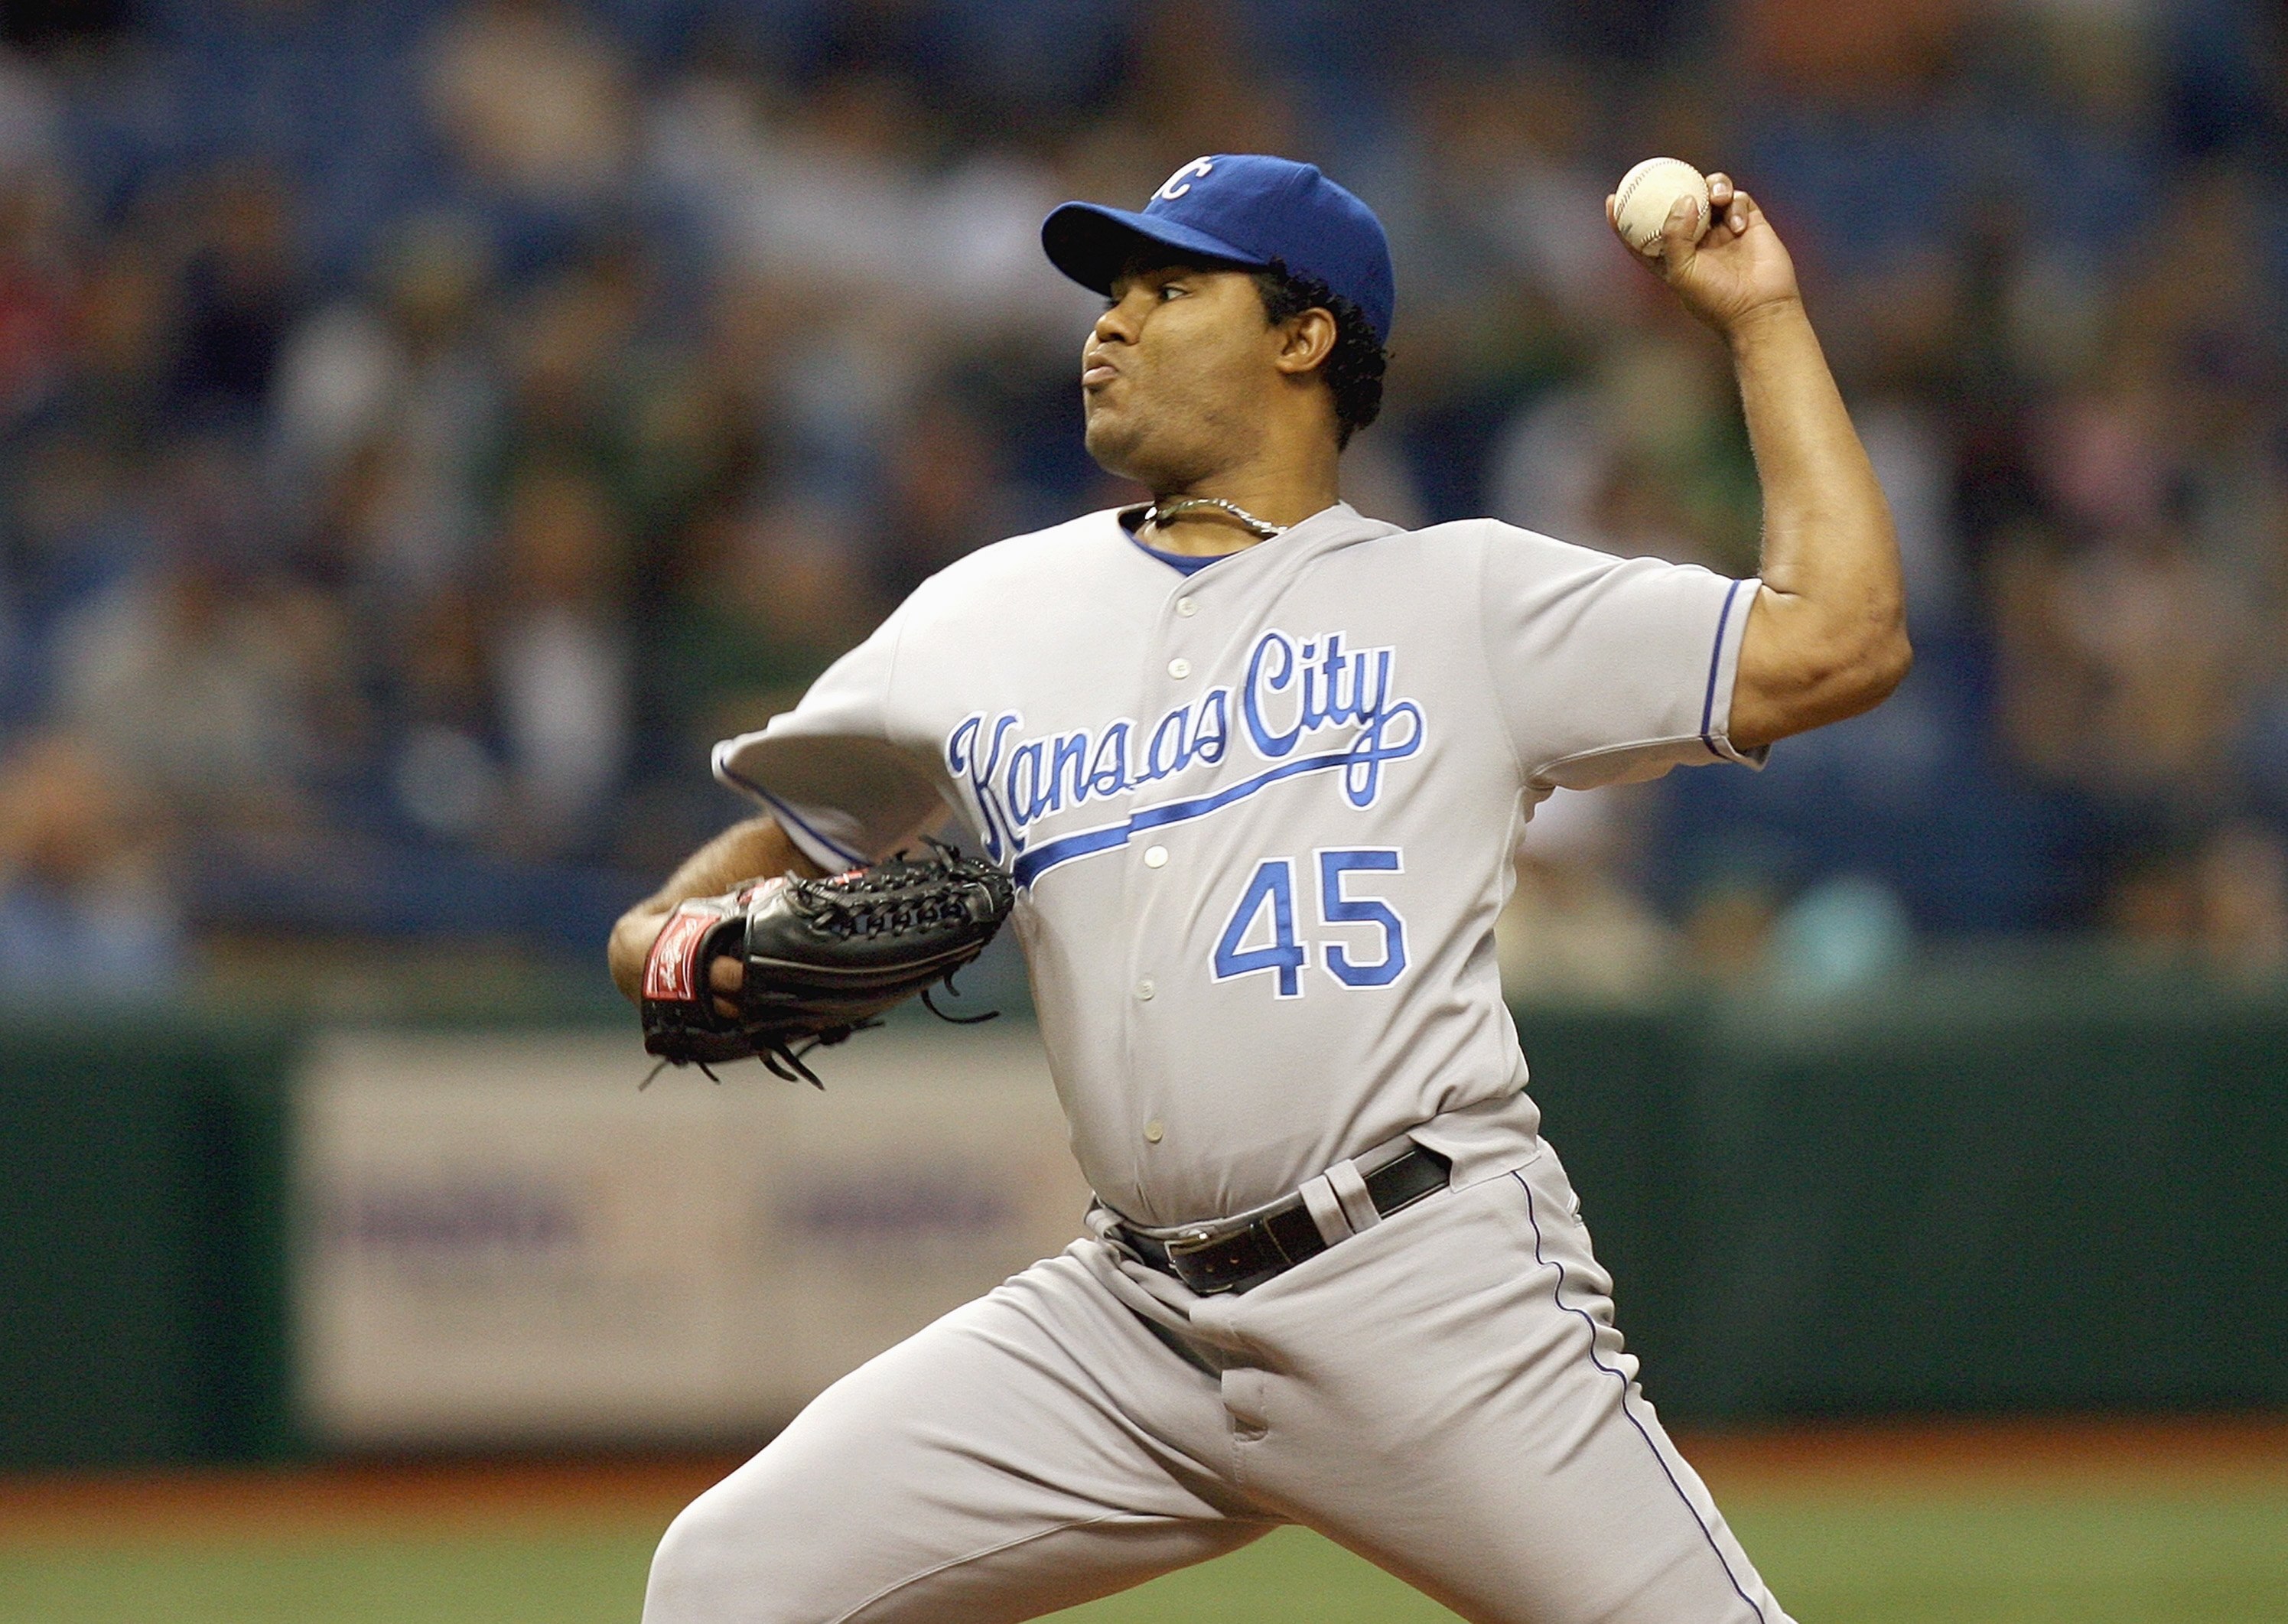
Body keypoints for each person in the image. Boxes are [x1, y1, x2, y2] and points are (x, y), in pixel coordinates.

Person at [610, 153, 1906, 1624]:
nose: (1110, 325)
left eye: (1170, 289)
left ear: (1306, 339)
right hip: (1130, 1321)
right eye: (1111, 294)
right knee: (728, 1577)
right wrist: (682, 950)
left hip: (1423, 1289)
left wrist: (1762, 317)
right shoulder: (978, 616)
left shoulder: (1462, 599)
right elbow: (689, 906)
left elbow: (1842, 638)